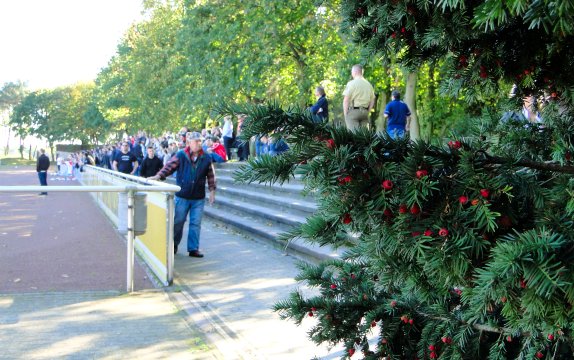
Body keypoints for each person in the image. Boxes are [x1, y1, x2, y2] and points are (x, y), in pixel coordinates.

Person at [149, 132, 216, 258]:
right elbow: (169, 167)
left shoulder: (206, 157)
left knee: (195, 223)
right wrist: (158, 176)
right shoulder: (181, 155)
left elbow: (211, 175)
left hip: (198, 197)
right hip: (182, 196)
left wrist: (212, 191)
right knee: (178, 221)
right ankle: (173, 245)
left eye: (199, 141)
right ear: (189, 142)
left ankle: (193, 249)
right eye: (195, 141)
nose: (198, 143)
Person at [342, 64, 375, 130]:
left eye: (352, 72)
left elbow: (346, 100)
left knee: (353, 136)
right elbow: (372, 101)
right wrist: (368, 111)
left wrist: (346, 114)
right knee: (363, 136)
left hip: (353, 112)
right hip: (365, 112)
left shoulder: (351, 83)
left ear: (354, 72)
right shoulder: (369, 84)